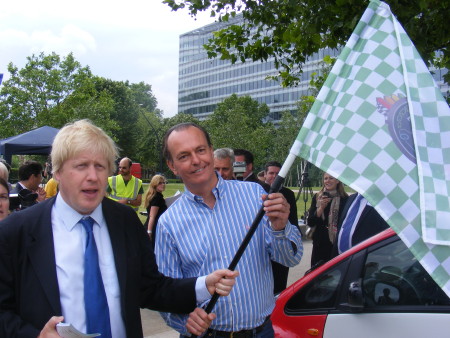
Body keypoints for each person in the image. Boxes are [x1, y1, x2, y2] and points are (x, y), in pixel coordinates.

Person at [0, 119, 238, 338]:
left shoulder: (124, 221)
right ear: (57, 172)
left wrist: (202, 285)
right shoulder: (17, 231)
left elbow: (150, 288)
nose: (92, 176)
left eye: (100, 167)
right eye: (81, 166)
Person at [156, 122, 303, 336]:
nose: (196, 160)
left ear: (210, 150)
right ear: (172, 165)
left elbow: (290, 259)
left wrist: (280, 228)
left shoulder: (254, 195)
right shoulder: (168, 223)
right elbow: (165, 292)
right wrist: (185, 322)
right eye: (183, 156)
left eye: (200, 150)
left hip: (260, 331)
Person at [263, 160, 300, 294]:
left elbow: (293, 219)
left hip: (282, 241)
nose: (274, 176)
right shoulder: (258, 190)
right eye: (271, 173)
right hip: (263, 246)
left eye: (278, 174)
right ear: (265, 174)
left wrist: (293, 240)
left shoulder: (288, 194)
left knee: (280, 283)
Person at [307, 172, 348, 267]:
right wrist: (320, 208)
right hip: (320, 243)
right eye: (325, 178)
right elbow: (311, 222)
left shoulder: (344, 199)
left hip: (336, 243)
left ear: (337, 181)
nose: (327, 181)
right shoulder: (318, 197)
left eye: (331, 178)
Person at [332, 192, 389, 257]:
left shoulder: (382, 202)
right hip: (339, 258)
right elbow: (342, 227)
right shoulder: (352, 197)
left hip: (363, 259)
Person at [143, 174, 168, 249]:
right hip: (154, 228)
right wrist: (149, 232)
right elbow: (152, 216)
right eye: (160, 183)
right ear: (155, 185)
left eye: (163, 182)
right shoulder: (157, 198)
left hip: (153, 227)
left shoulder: (155, 196)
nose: (163, 184)